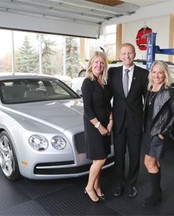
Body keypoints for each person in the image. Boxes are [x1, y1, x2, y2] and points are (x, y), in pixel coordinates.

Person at [107, 43, 149, 198]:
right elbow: (107, 98)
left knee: (134, 155)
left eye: (130, 53)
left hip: (135, 122)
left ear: (135, 55)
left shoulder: (144, 74)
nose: (127, 56)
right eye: (124, 53)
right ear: (120, 56)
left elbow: (147, 100)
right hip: (118, 122)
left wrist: (147, 123)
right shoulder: (113, 72)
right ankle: (119, 183)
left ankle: (131, 184)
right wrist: (108, 117)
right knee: (118, 154)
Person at [142, 60, 174, 206]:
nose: (157, 75)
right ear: (151, 74)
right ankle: (157, 193)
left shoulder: (170, 91)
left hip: (158, 133)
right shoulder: (150, 89)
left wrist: (163, 133)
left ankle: (155, 194)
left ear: (165, 74)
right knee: (155, 162)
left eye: (160, 72)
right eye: (154, 72)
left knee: (148, 162)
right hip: (147, 131)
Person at [81, 51, 113, 203]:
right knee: (99, 159)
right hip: (94, 124)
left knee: (101, 158)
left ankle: (97, 186)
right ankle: (89, 187)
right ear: (91, 65)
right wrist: (99, 126)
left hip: (106, 123)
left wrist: (111, 120)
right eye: (96, 62)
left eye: (101, 63)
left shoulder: (104, 82)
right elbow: (87, 109)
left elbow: (108, 104)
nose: (99, 65)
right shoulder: (88, 82)